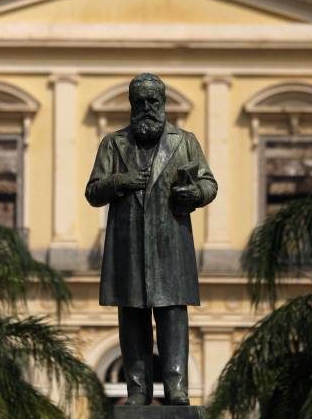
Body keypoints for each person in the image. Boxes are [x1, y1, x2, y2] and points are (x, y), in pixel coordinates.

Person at [85, 73, 217, 406]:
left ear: (163, 103)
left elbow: (209, 183)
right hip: (127, 247)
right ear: (131, 105)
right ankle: (137, 390)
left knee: (173, 316)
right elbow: (93, 192)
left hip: (170, 246)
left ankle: (176, 387)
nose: (146, 108)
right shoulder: (113, 144)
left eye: (153, 101)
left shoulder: (184, 142)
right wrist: (121, 180)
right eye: (139, 102)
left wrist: (195, 194)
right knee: (132, 319)